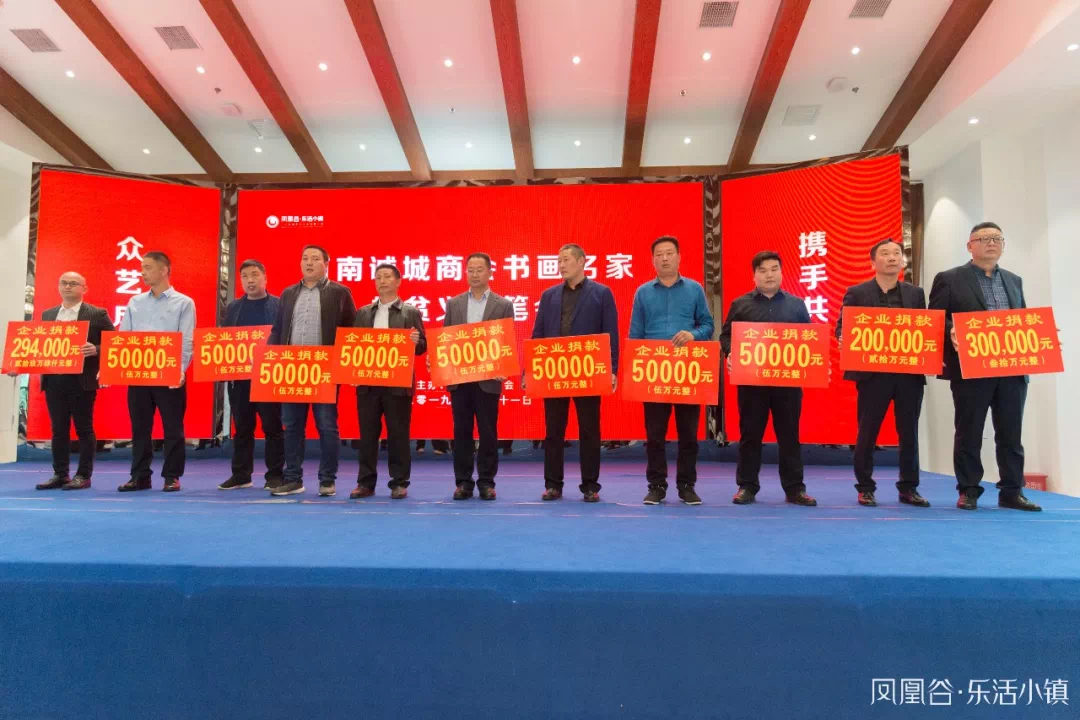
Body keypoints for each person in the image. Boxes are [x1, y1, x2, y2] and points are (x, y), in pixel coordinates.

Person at [929, 222, 1041, 511]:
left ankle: (1012, 492)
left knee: (1011, 434)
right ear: (970, 246)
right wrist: (952, 328)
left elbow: (1021, 319)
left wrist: (1041, 338)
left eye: (997, 239)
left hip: (1011, 369)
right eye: (984, 239)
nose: (992, 243)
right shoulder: (950, 278)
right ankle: (969, 490)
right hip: (971, 369)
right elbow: (935, 318)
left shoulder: (1014, 280)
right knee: (969, 432)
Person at [835, 239, 930, 508]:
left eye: (896, 253)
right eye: (885, 254)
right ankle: (865, 487)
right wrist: (843, 337)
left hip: (908, 374)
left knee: (909, 432)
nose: (892, 258)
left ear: (902, 261)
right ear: (873, 262)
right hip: (872, 375)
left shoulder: (915, 293)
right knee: (867, 431)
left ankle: (909, 487)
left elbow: (925, 327)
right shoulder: (857, 292)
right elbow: (842, 326)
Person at [719, 250, 817, 507]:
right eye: (762, 270)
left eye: (774, 269)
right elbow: (725, 336)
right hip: (752, 384)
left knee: (789, 436)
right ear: (754, 275)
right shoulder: (741, 304)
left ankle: (795, 489)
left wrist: (817, 362)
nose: (769, 275)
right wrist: (730, 352)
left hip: (788, 383)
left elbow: (810, 340)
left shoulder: (796, 305)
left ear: (782, 273)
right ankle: (747, 486)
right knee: (750, 435)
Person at [528, 243, 619, 502]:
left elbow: (610, 333)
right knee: (553, 431)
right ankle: (553, 484)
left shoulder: (601, 293)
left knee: (589, 430)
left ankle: (590, 485)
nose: (561, 265)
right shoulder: (549, 295)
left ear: (581, 262)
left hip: (588, 371)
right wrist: (529, 369)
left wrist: (612, 369)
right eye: (559, 261)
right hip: (554, 371)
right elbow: (538, 333)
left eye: (566, 260)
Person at [628, 236, 714, 505]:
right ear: (653, 260)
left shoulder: (694, 289)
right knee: (654, 435)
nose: (664, 258)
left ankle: (687, 485)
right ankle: (656, 485)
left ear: (678, 257)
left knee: (688, 434)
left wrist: (693, 334)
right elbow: (636, 334)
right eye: (659, 254)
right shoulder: (643, 293)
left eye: (669, 253)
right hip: (653, 373)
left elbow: (708, 325)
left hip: (687, 372)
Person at [269, 245, 357, 497]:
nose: (309, 263)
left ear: (326, 264)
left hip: (324, 369)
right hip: (292, 368)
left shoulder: (340, 292)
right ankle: (293, 478)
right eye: (305, 258)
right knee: (292, 426)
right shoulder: (288, 293)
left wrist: (347, 366)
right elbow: (278, 329)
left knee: (327, 426)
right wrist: (269, 358)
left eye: (315, 259)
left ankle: (327, 480)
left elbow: (351, 331)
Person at [117, 252, 195, 492]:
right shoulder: (135, 302)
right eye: (142, 267)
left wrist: (180, 370)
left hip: (169, 375)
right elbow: (124, 338)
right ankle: (140, 476)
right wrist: (113, 368)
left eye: (148, 267)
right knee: (140, 428)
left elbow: (187, 339)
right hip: (139, 375)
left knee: (173, 428)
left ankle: (172, 476)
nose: (143, 272)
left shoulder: (184, 302)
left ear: (164, 271)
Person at [440, 252, 515, 500]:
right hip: (460, 379)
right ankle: (463, 482)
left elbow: (506, 341)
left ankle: (486, 482)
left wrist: (505, 366)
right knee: (461, 431)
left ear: (490, 273)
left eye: (479, 270)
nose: (474, 274)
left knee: (488, 432)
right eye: (470, 270)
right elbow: (446, 338)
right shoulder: (454, 304)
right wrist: (439, 360)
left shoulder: (503, 305)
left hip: (488, 379)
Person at [31, 272, 114, 490]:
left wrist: (96, 349)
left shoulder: (96, 314)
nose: (67, 287)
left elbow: (115, 343)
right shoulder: (48, 314)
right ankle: (60, 474)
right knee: (58, 430)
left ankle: (83, 475)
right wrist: (18, 364)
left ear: (84, 289)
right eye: (64, 283)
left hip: (81, 381)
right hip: (54, 380)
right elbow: (39, 345)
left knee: (84, 429)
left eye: (73, 283)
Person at [351, 263, 427, 500]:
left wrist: (416, 341)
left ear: (398, 281)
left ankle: (399, 482)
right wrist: (351, 372)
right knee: (367, 435)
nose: (382, 281)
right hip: (368, 384)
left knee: (398, 434)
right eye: (378, 277)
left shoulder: (410, 312)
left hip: (398, 385)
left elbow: (422, 347)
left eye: (387, 277)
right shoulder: (364, 312)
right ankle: (365, 483)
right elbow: (354, 345)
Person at [218, 259, 284, 491]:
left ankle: (275, 475)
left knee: (272, 427)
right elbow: (224, 339)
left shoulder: (279, 305)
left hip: (268, 376)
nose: (250, 280)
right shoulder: (234, 308)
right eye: (245, 276)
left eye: (255, 275)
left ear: (265, 277)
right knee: (242, 428)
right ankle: (241, 475)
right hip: (240, 379)